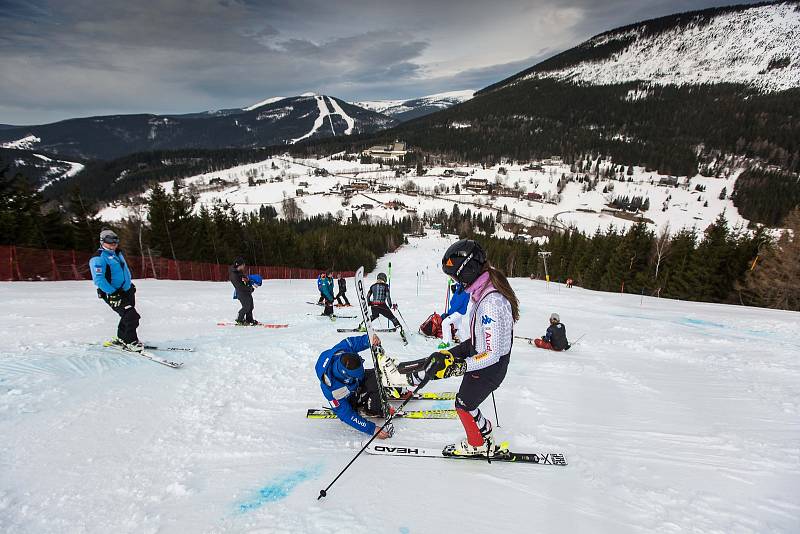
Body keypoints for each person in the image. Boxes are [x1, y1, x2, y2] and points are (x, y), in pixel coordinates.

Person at [379, 239, 519, 457]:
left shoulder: (491, 302)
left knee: (463, 404)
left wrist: (457, 366)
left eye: (455, 276)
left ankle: (477, 444)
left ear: (468, 270)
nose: (455, 281)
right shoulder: (483, 290)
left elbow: (492, 353)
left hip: (489, 367)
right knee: (440, 363)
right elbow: (478, 339)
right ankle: (484, 429)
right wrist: (449, 354)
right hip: (477, 353)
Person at [315, 333, 394, 439]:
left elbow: (352, 343)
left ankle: (390, 388)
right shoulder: (332, 391)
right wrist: (371, 428)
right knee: (374, 388)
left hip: (355, 383)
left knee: (379, 375)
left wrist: (369, 340)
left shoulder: (340, 353)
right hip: (351, 399)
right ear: (346, 376)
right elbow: (345, 414)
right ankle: (372, 408)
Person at [89, 229, 142, 351]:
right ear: (102, 241)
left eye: (115, 240)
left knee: (126, 316)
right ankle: (130, 342)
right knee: (131, 316)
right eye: (109, 241)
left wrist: (130, 285)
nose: (113, 243)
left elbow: (123, 271)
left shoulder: (117, 253)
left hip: (127, 291)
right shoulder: (98, 258)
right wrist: (113, 293)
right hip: (113, 293)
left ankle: (122, 338)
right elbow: (99, 280)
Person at [363, 272, 406, 343]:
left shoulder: (372, 286)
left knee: (374, 316)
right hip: (382, 305)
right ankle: (400, 331)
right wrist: (390, 305)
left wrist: (369, 303)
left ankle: (364, 325)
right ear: (384, 278)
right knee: (392, 318)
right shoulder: (385, 286)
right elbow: (388, 297)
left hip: (374, 305)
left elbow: (367, 296)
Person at [439, 280, 470, 349]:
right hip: (458, 311)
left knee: (445, 323)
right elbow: (453, 301)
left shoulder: (464, 291)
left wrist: (449, 313)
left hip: (457, 312)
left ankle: (446, 342)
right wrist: (454, 290)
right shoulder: (460, 288)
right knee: (458, 325)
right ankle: (467, 341)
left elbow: (457, 304)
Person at [230, 257, 258, 325]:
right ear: (239, 265)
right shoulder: (234, 275)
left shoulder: (239, 272)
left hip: (247, 292)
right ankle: (239, 319)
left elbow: (244, 280)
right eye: (243, 264)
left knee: (251, 306)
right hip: (241, 293)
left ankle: (249, 319)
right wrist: (250, 289)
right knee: (246, 307)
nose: (244, 266)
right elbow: (239, 286)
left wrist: (250, 282)